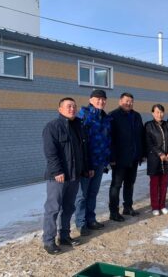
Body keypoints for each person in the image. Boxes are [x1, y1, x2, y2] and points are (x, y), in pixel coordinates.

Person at [42, 97, 92, 254]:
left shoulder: (79, 126)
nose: (72, 109)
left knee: (69, 207)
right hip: (58, 177)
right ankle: (49, 241)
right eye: (68, 106)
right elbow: (50, 153)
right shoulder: (52, 127)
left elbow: (84, 151)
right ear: (60, 109)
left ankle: (64, 236)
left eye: (74, 106)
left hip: (74, 175)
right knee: (53, 208)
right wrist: (57, 171)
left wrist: (86, 168)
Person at [74, 89, 112, 236]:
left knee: (93, 193)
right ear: (91, 100)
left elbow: (107, 140)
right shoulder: (84, 116)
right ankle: (81, 223)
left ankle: (91, 219)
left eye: (103, 99)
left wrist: (107, 159)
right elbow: (80, 142)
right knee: (82, 194)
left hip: (99, 162)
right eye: (97, 98)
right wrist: (85, 163)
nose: (100, 101)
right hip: (86, 162)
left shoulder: (105, 118)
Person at [108, 92, 145, 222]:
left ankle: (128, 207)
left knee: (130, 184)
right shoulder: (113, 116)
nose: (128, 103)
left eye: (131, 101)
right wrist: (111, 158)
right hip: (119, 159)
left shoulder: (136, 116)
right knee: (116, 185)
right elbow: (109, 139)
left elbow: (140, 136)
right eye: (126, 101)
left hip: (133, 158)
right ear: (120, 101)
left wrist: (141, 154)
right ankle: (113, 211)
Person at [145, 104, 168, 216]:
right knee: (154, 184)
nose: (159, 114)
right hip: (154, 159)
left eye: (161, 112)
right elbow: (149, 142)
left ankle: (162, 205)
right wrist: (160, 153)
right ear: (152, 113)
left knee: (164, 184)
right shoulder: (148, 125)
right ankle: (155, 206)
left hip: (167, 159)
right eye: (157, 112)